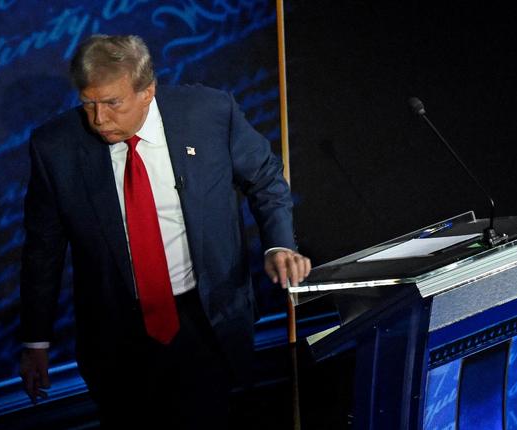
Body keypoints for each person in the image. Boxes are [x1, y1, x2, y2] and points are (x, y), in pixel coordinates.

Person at [18, 34, 311, 428]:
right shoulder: (55, 147)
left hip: (205, 319)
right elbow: (43, 249)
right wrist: (35, 340)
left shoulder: (209, 113)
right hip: (117, 336)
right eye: (88, 104)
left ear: (147, 91)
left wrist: (277, 245)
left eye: (112, 103)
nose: (99, 119)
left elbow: (265, 180)